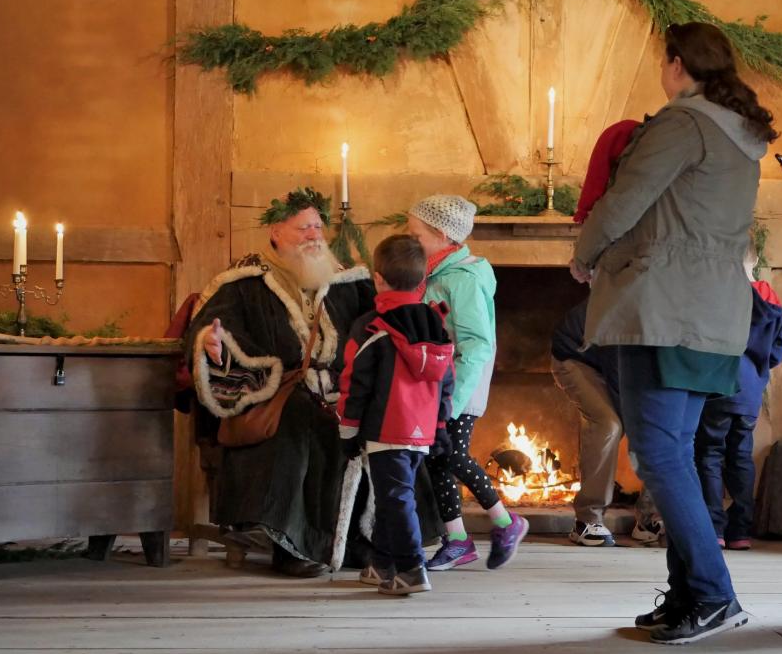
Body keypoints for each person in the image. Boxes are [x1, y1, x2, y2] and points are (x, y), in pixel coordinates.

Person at [572, 21, 775, 645]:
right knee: (676, 453)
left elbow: (625, 198)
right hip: (712, 312)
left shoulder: (681, 124)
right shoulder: (740, 135)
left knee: (657, 454)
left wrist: (584, 252)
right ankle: (688, 592)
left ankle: (714, 595)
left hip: (662, 307)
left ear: (677, 63)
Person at [188, 187, 377, 578]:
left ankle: (364, 540)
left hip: (343, 389)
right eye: (304, 227)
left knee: (376, 418)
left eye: (318, 227)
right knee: (302, 421)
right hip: (277, 394)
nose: (314, 235)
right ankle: (294, 544)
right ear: (276, 231)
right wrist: (213, 345)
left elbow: (379, 329)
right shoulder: (242, 284)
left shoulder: (350, 283)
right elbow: (211, 330)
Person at [406, 195, 529, 570]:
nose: (409, 240)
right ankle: (457, 538)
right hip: (439, 384)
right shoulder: (434, 273)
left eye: (415, 233)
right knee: (437, 461)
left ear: (441, 235)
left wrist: (454, 402)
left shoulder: (464, 280)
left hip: (460, 384)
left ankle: (507, 522)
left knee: (451, 454)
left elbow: (476, 344)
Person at [336, 235, 455, 595]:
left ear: (378, 278)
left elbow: (355, 383)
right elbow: (446, 381)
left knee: (395, 498)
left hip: (385, 426)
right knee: (393, 495)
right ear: (422, 281)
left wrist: (347, 429)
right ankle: (382, 564)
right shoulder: (435, 323)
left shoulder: (371, 326)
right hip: (422, 430)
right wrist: (439, 426)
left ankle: (412, 568)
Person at [695, 241, 782, 551]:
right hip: (750, 391)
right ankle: (740, 532)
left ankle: (713, 528)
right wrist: (758, 370)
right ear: (755, 259)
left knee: (709, 455)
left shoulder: (720, 294)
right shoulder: (769, 298)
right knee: (741, 457)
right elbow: (778, 350)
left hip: (717, 386)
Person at [551, 299, 662, 547]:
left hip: (621, 360)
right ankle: (587, 519)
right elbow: (619, 377)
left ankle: (650, 518)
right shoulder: (630, 314)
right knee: (608, 424)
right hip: (576, 356)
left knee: (659, 428)